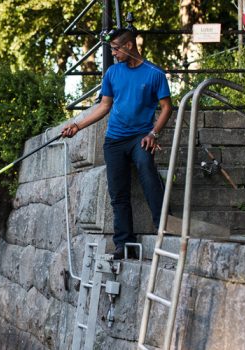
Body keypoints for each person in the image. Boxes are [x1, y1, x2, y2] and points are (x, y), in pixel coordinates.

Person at [61, 28, 173, 260]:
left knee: (146, 168)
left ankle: (164, 224)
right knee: (118, 193)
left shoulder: (154, 73)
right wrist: (76, 125)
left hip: (140, 137)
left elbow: (167, 108)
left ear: (129, 45)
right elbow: (104, 106)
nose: (112, 53)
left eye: (115, 48)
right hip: (114, 140)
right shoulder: (112, 73)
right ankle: (124, 244)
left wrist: (154, 133)